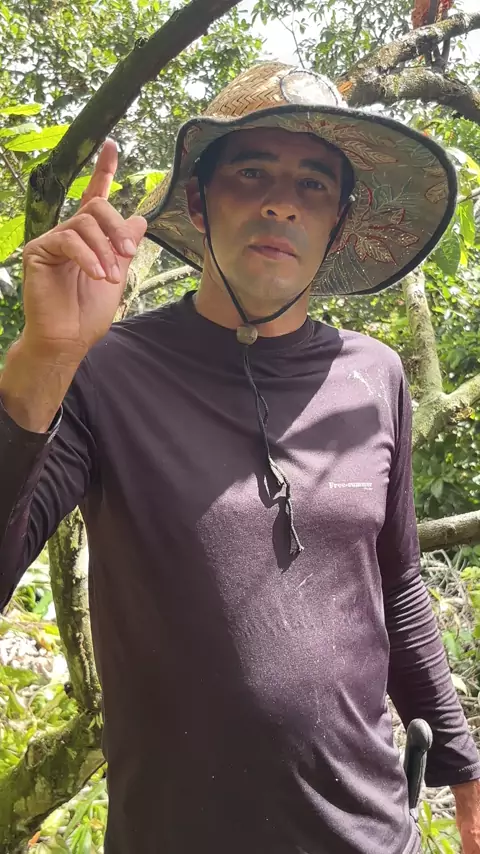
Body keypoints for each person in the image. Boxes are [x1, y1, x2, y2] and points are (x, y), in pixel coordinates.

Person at [0, 61, 479, 854]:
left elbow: (395, 584)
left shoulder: (375, 375)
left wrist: (462, 766)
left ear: (337, 224)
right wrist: (42, 359)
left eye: (312, 185)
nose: (281, 202)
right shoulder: (105, 371)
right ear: (199, 202)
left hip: (366, 832)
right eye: (251, 172)